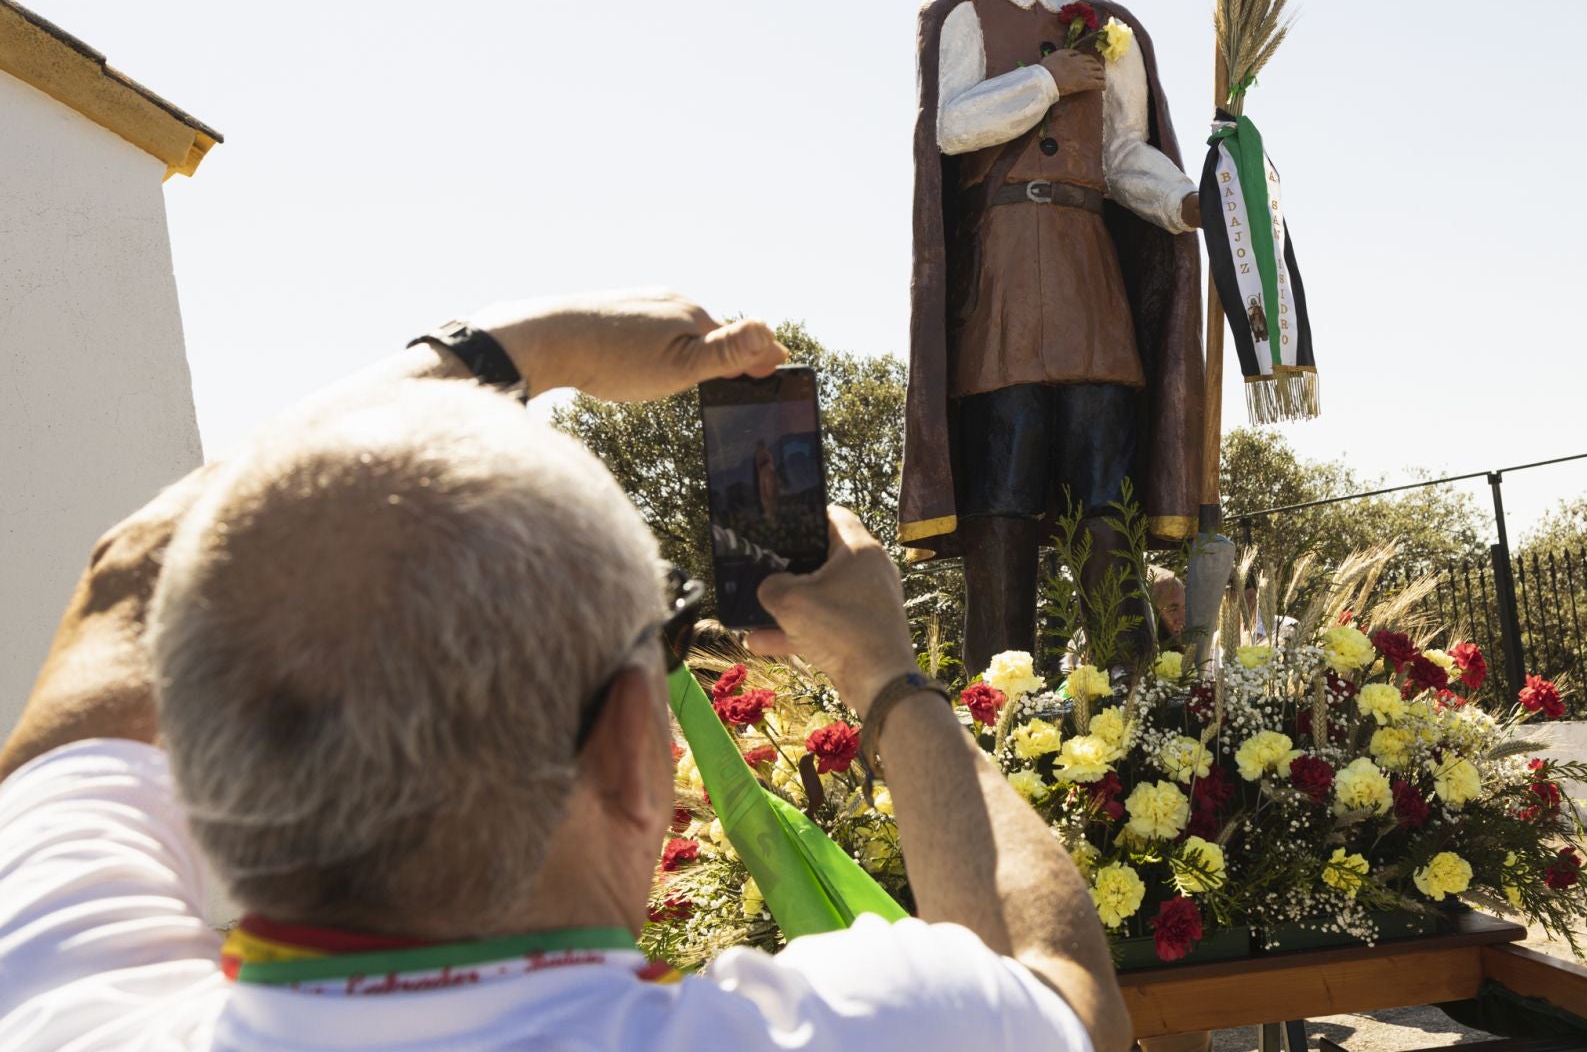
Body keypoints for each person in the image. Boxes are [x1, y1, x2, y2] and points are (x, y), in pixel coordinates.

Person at [0, 288, 1130, 1052]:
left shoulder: (63, 1004)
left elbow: (127, 570)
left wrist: (508, 350)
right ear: (633, 740)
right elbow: (1061, 988)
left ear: (199, 763)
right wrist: (885, 671)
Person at [898, 0, 1205, 675]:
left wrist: (1186, 200)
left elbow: (1124, 154)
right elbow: (949, 127)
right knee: (1006, 496)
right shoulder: (962, 10)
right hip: (1000, 278)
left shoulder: (1112, 24)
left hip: (1089, 274)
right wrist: (1048, 79)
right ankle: (1001, 703)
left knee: (1108, 498)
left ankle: (1135, 706)